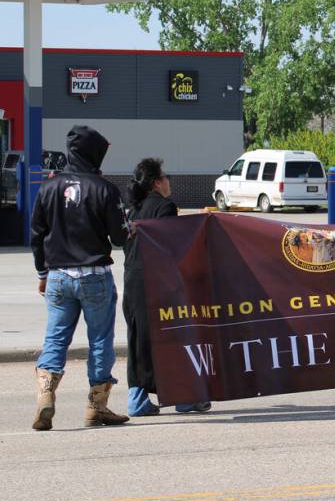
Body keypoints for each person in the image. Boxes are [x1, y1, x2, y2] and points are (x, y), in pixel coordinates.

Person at [30, 125, 129, 430]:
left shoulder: (48, 188)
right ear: (93, 153)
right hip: (94, 276)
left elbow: (37, 234)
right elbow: (119, 237)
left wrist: (43, 273)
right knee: (100, 340)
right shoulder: (105, 189)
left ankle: (45, 394)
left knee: (56, 337)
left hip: (58, 275)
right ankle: (96, 407)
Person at [123, 158, 211, 416]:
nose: (169, 180)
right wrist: (201, 223)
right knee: (172, 335)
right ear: (156, 182)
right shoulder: (165, 206)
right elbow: (172, 244)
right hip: (156, 281)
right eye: (166, 176)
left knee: (138, 339)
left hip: (133, 279)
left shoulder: (133, 210)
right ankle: (183, 397)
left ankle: (137, 399)